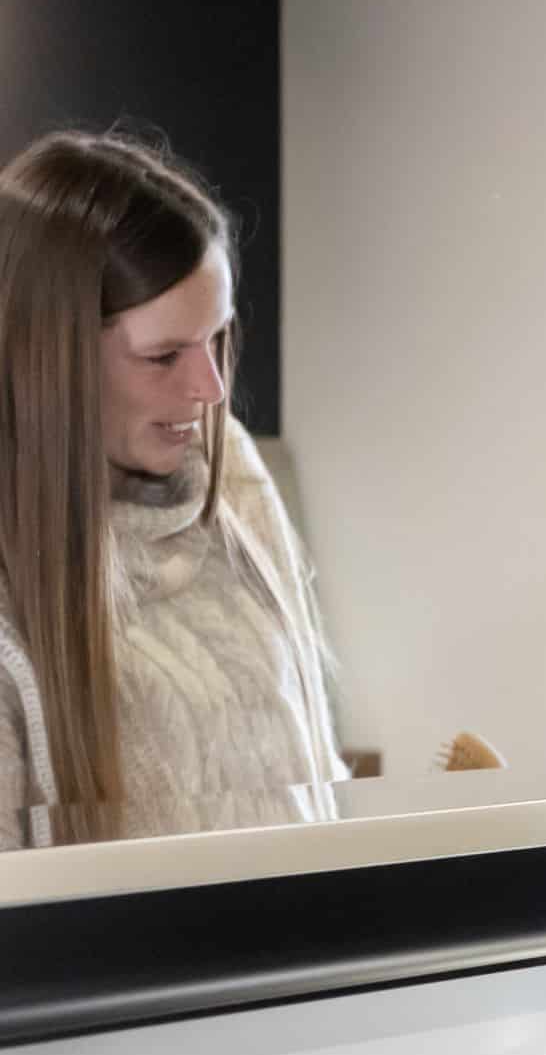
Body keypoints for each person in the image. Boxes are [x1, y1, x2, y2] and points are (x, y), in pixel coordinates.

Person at [0, 131, 343, 849]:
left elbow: (316, 775)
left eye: (217, 338)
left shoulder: (233, 466)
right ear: (47, 358)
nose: (210, 388)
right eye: (163, 356)